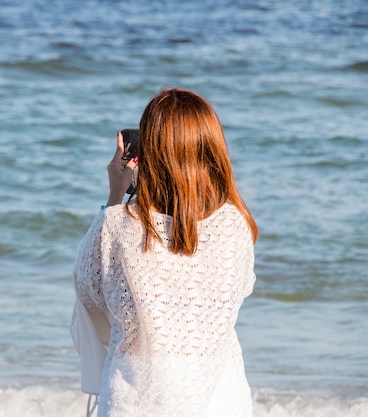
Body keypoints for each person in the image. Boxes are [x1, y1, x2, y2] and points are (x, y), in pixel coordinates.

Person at [72, 88, 258, 417]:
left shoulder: (117, 225)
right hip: (221, 405)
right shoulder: (236, 226)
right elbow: (242, 288)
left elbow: (88, 292)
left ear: (150, 152)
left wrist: (115, 194)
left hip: (135, 407)